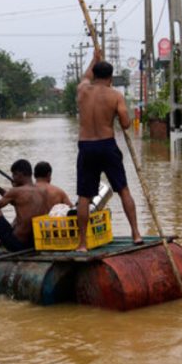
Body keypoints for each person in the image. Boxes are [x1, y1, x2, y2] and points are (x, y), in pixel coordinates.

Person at [76, 49, 143, 251]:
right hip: (106, 145)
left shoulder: (82, 91)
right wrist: (116, 113)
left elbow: (85, 77)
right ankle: (136, 234)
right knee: (123, 190)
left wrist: (94, 59)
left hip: (86, 146)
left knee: (84, 197)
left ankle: (82, 244)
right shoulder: (115, 96)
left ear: (94, 75)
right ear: (111, 78)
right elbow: (125, 124)